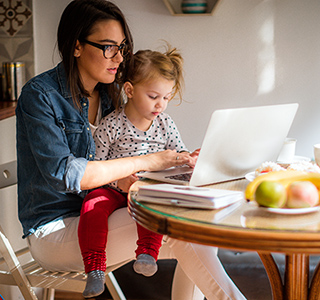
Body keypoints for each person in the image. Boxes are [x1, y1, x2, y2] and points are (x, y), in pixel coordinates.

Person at [15, 1, 247, 299]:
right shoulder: (40, 96)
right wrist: (150, 161)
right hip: (56, 229)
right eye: (109, 47)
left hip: (109, 211)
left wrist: (184, 163)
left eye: (122, 47)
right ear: (76, 47)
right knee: (179, 227)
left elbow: (137, 150)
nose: (119, 57)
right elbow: (69, 175)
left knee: (193, 224)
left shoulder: (112, 93)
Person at [78, 45, 200, 297]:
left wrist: (189, 158)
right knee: (92, 206)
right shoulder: (111, 125)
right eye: (154, 96)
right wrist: (119, 183)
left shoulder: (165, 124)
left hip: (146, 189)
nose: (161, 105)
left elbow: (178, 154)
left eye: (166, 98)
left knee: (153, 202)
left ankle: (147, 253)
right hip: (112, 189)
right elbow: (96, 169)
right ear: (130, 90)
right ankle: (95, 268)